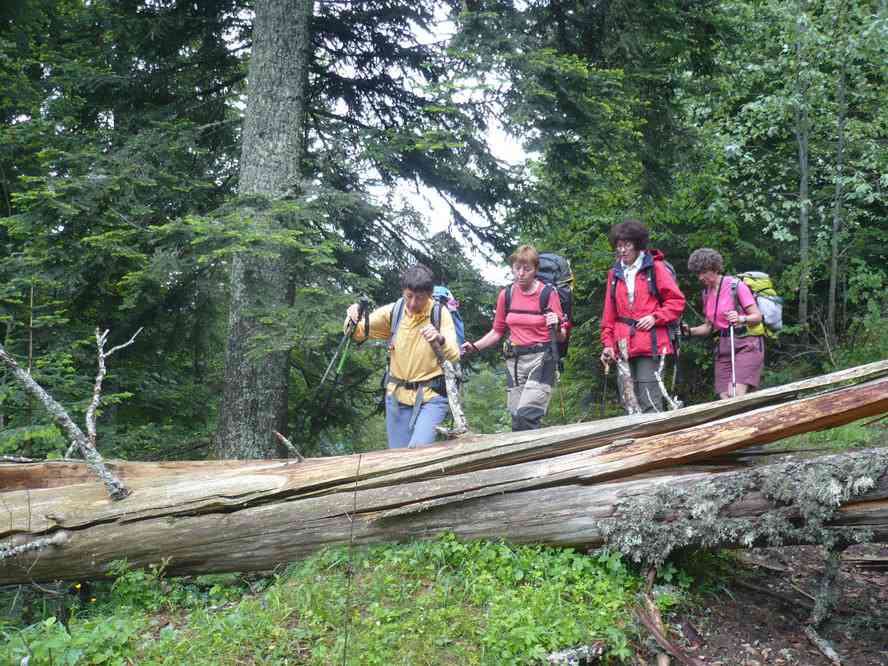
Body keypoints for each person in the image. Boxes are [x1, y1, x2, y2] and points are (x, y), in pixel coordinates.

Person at [344, 264, 460, 449]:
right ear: (403, 292)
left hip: (431, 397)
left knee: (418, 452)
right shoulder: (394, 311)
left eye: (419, 298)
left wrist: (439, 339)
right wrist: (352, 316)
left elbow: (454, 354)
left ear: (429, 295)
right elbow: (357, 333)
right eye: (409, 296)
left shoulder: (439, 313)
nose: (413, 303)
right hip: (397, 396)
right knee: (398, 457)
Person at [461, 244, 567, 431]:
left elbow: (560, 337)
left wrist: (556, 325)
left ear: (535, 270)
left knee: (528, 416)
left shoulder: (547, 294)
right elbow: (497, 331)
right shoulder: (506, 295)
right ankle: (528, 459)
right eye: (517, 268)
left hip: (542, 360)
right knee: (517, 419)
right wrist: (474, 346)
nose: (521, 273)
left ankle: (534, 459)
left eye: (527, 269)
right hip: (514, 362)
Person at [600, 219, 685, 413]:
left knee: (650, 401)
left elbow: (677, 301)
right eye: (619, 245)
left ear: (638, 244)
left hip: (651, 345)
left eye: (627, 244)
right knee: (629, 403)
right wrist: (607, 344)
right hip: (623, 345)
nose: (622, 250)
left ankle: (657, 443)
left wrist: (656, 317)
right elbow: (609, 314)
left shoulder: (654, 268)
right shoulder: (614, 274)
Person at [683, 248, 764, 399]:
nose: (700, 277)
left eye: (703, 272)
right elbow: (709, 327)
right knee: (724, 398)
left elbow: (757, 317)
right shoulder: (706, 293)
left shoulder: (735, 286)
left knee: (735, 394)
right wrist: (690, 331)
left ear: (714, 268)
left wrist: (741, 318)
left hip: (747, 343)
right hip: (724, 347)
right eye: (697, 273)